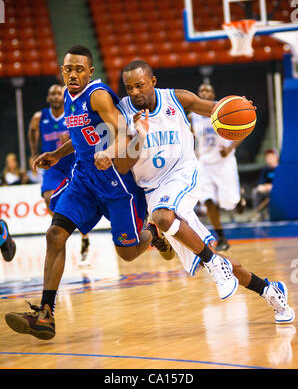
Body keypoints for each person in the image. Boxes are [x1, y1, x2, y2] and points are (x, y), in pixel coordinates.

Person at [95, 60, 294, 325]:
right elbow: (121, 166)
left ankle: (214, 264)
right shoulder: (122, 114)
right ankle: (270, 291)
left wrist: (241, 108)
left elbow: (216, 109)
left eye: (140, 85)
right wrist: (139, 138)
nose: (134, 92)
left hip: (183, 175)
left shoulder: (176, 98)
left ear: (153, 81)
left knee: (163, 218)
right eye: (129, 87)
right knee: (209, 254)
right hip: (152, 189)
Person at [4, 45, 171, 341]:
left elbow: (124, 133)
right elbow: (81, 135)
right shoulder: (70, 97)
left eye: (79, 69)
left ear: (90, 71)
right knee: (55, 234)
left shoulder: (98, 94)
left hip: (117, 184)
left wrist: (108, 151)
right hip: (83, 179)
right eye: (68, 69)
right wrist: (57, 153)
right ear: (62, 72)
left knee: (128, 253)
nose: (73, 74)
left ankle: (154, 234)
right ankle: (45, 313)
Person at [27, 84, 90, 264]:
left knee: (79, 202)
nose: (55, 96)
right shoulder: (39, 117)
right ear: (48, 98)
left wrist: (70, 139)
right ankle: (62, 227)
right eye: (51, 93)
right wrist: (33, 152)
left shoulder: (73, 114)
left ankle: (84, 237)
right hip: (52, 167)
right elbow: (32, 131)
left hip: (73, 162)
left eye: (57, 93)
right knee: (48, 198)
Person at [188, 83, 245, 251]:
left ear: (214, 94)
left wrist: (229, 148)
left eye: (208, 90)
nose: (204, 92)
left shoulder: (226, 109)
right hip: (204, 163)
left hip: (224, 162)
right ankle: (221, 238)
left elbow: (242, 131)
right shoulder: (192, 116)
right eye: (201, 90)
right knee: (208, 200)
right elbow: (190, 137)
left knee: (229, 202)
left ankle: (238, 199)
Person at [251, 148, 279, 220]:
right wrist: (265, 187)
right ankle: (258, 215)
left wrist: (271, 186)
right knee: (256, 191)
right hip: (267, 192)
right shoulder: (265, 170)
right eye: (267, 157)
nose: (269, 159)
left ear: (276, 157)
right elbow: (261, 184)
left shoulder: (281, 169)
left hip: (278, 192)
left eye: (271, 156)